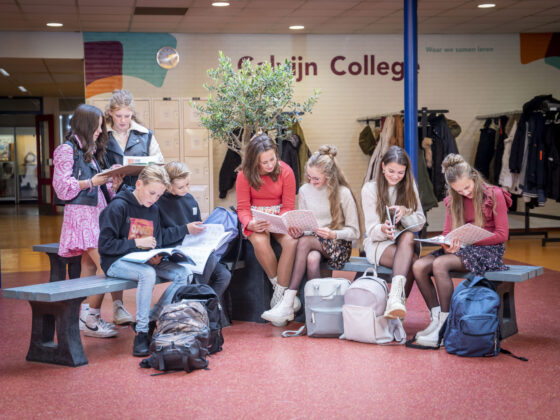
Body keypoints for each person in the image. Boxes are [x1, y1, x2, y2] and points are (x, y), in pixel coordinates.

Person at [412, 153, 511, 347]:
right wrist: (447, 244)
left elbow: (502, 234)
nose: (465, 193)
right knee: (419, 266)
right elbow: (448, 232)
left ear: (474, 177)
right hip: (464, 247)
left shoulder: (494, 194)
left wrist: (471, 241)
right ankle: (436, 318)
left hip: (489, 248)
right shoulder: (453, 199)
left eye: (467, 187)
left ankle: (446, 323)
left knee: (440, 264)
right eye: (459, 190)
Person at [98, 165, 194, 357]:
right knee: (147, 273)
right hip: (117, 261)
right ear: (139, 184)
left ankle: (151, 319)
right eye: (151, 193)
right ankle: (141, 333)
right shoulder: (118, 206)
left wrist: (157, 255)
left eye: (158, 195)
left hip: (144, 259)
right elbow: (105, 246)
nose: (154, 199)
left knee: (185, 273)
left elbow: (156, 239)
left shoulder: (153, 209)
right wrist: (136, 243)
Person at [53, 104, 131, 338]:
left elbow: (95, 186)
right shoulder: (66, 150)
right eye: (97, 127)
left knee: (89, 265)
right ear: (86, 125)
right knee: (109, 264)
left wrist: (112, 182)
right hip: (81, 217)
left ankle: (85, 316)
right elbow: (62, 189)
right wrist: (92, 182)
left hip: (96, 214)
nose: (99, 131)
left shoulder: (89, 150)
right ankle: (91, 319)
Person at [261, 145, 361, 325]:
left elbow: (355, 232)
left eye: (316, 178)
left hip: (338, 245)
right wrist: (299, 229)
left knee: (305, 243)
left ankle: (288, 302)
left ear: (329, 176)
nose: (311, 181)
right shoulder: (306, 191)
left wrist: (333, 234)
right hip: (315, 242)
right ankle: (315, 314)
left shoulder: (343, 193)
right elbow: (307, 224)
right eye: (309, 176)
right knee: (312, 259)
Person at [235, 134, 299, 320]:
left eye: (272, 159)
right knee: (261, 243)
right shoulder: (244, 175)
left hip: (279, 218)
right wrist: (251, 223)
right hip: (257, 220)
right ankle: (280, 292)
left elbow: (288, 206)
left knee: (292, 242)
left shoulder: (286, 171)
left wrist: (278, 221)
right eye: (265, 162)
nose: (270, 165)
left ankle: (279, 295)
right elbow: (243, 209)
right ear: (255, 161)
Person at [361, 146, 426, 319]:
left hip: (403, 242)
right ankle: (396, 304)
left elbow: (420, 223)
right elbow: (371, 231)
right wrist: (383, 229)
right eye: (391, 171)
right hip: (378, 244)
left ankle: (395, 300)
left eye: (400, 172)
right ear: (382, 166)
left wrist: (405, 212)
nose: (395, 176)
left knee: (408, 236)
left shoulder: (409, 185)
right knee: (411, 261)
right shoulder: (370, 189)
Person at [158, 161, 231, 302]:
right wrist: (185, 229)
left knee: (224, 276)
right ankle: (192, 308)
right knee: (208, 261)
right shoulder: (159, 202)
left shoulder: (190, 199)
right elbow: (160, 237)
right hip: (172, 252)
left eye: (188, 184)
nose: (186, 189)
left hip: (193, 249)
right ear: (167, 184)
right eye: (181, 186)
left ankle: (199, 309)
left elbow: (197, 226)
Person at [104, 89, 164, 186]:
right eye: (118, 116)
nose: (123, 120)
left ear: (132, 113)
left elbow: (159, 164)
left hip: (140, 191)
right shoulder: (101, 136)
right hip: (111, 193)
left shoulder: (146, 135)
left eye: (127, 116)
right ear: (110, 112)